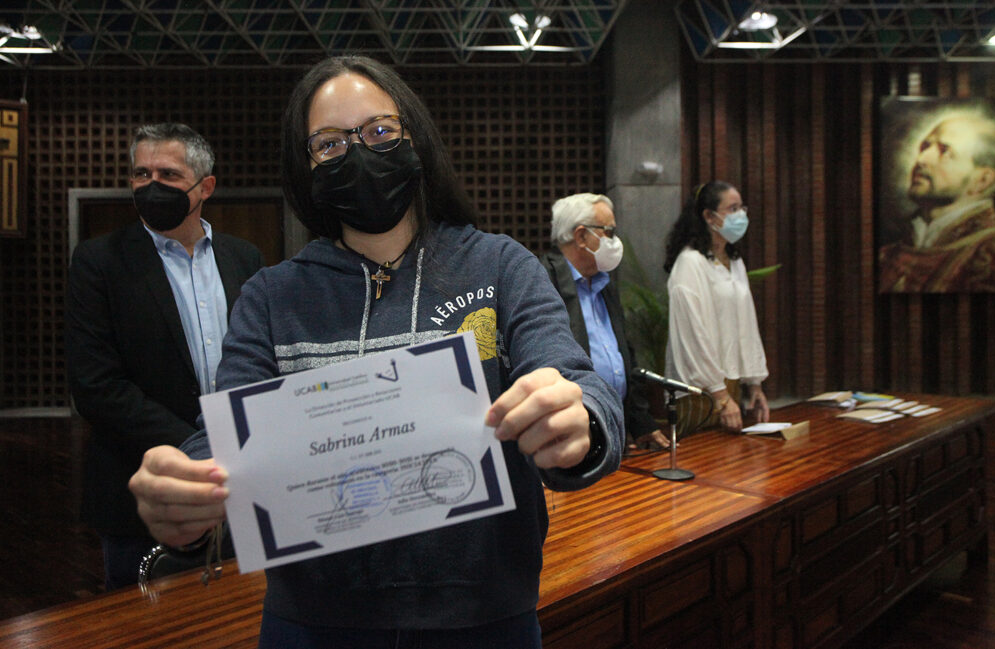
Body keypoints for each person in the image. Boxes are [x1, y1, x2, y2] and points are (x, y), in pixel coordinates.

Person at [128, 56, 624, 648]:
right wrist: (184, 489)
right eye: (330, 144)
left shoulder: (500, 266)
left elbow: (576, 381)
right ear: (306, 167)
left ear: (416, 138)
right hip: (312, 624)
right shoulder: (271, 296)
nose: (359, 152)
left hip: (483, 619)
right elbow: (224, 437)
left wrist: (579, 419)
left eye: (380, 131)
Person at [65, 122, 264, 590]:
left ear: (205, 187)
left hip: (242, 485)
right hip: (141, 490)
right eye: (141, 174)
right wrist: (201, 449)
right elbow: (96, 387)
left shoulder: (244, 258)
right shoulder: (99, 261)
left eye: (168, 175)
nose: (150, 186)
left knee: (239, 613)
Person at [539, 193, 669, 450]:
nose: (614, 241)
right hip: (568, 434)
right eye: (608, 231)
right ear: (581, 236)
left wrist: (640, 423)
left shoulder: (604, 282)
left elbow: (624, 354)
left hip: (612, 429)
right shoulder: (542, 280)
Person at [662, 181, 770, 433]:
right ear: (709, 216)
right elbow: (692, 335)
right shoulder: (690, 262)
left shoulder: (735, 261)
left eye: (742, 208)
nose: (740, 215)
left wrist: (754, 384)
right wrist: (720, 395)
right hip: (700, 390)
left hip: (730, 384)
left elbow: (747, 325)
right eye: (732, 209)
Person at [878, 111, 995, 292]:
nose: (921, 159)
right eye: (925, 147)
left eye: (945, 151)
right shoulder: (885, 255)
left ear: (981, 180)